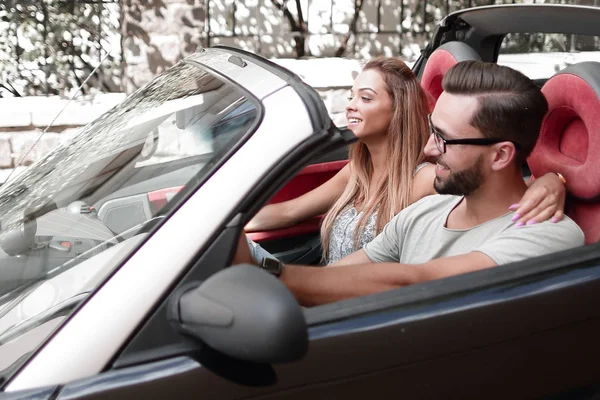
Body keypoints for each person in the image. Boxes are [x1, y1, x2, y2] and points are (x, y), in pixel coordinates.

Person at [249, 60, 585, 306]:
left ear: (500, 156)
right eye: (431, 130)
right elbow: (333, 279)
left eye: (443, 138)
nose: (426, 148)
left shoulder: (546, 233)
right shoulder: (424, 211)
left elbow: (415, 282)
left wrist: (261, 272)